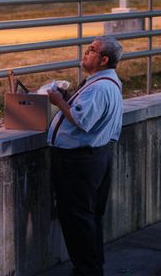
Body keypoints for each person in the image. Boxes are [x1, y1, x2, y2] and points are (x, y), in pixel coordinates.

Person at [47, 35, 124, 276]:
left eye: (91, 50)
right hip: (95, 157)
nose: (85, 52)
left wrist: (60, 101)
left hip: (79, 162)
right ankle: (91, 268)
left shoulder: (99, 87)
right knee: (89, 218)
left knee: (77, 219)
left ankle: (87, 270)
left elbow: (83, 120)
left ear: (103, 59)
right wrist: (69, 100)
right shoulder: (106, 82)